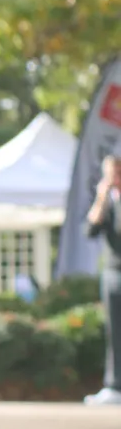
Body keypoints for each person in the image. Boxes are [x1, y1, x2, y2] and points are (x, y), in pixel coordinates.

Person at [84, 154, 121, 405]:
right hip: (113, 272)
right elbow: (91, 229)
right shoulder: (107, 203)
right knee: (115, 329)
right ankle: (115, 385)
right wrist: (101, 197)